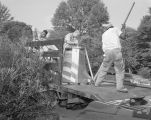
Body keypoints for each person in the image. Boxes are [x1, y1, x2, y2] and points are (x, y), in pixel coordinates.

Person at [95, 23, 128, 93]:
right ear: (112, 26)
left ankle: (97, 83)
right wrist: (124, 28)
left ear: (107, 28)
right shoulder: (115, 29)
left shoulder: (104, 34)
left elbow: (103, 46)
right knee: (119, 70)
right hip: (116, 51)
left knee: (104, 69)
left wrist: (105, 54)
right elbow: (123, 36)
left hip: (107, 52)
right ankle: (120, 87)